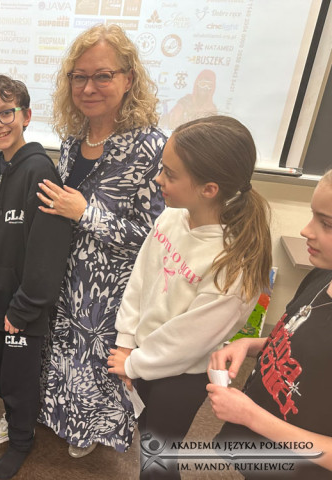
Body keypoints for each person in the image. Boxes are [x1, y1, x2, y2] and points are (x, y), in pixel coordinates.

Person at [107, 115, 273, 479]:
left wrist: (135, 364)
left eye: (169, 174)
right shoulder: (170, 218)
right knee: (146, 438)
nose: (158, 179)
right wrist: (127, 342)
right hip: (144, 357)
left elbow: (189, 338)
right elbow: (140, 280)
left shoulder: (232, 263)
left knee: (158, 460)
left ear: (209, 189)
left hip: (180, 377)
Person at [36, 24, 166, 458]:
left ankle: (92, 430)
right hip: (65, 278)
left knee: (96, 367)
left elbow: (156, 240)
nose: (89, 87)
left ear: (129, 79)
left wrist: (86, 213)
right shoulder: (73, 141)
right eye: (79, 77)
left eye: (103, 76)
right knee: (62, 355)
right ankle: (60, 417)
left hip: (112, 293)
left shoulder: (152, 149)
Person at [0, 75, 72, 479]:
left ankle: (21, 440)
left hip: (24, 307)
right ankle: (15, 417)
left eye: (5, 113)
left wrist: (25, 307)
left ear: (26, 115)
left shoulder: (40, 172)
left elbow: (47, 250)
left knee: (17, 377)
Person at [208, 170, 332, 478]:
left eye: (327, 224)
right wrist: (250, 344)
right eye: (312, 216)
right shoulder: (321, 275)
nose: (306, 230)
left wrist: (252, 417)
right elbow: (303, 342)